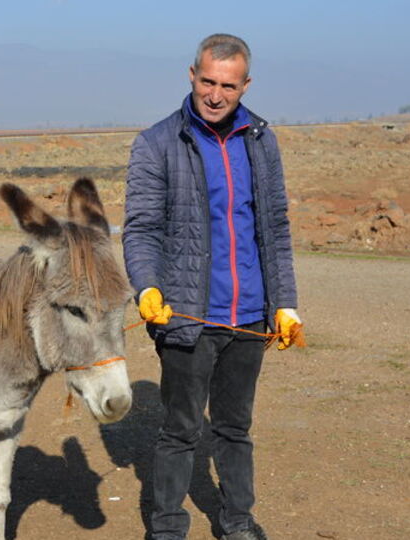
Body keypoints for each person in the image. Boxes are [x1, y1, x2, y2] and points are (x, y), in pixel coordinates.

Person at [123, 34, 302, 540]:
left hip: (249, 316)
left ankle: (238, 521)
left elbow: (276, 228)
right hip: (186, 317)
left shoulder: (261, 141)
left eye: (228, 85)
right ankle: (166, 528)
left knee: (234, 429)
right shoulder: (157, 143)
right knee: (180, 430)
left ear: (245, 85)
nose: (216, 95)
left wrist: (285, 303)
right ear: (191, 75)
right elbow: (141, 229)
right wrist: (147, 288)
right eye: (208, 81)